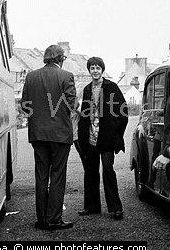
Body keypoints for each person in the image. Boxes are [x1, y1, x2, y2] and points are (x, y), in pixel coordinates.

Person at [21, 44, 78, 230]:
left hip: (38, 134)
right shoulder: (66, 76)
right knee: (58, 175)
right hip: (60, 134)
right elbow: (72, 105)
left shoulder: (31, 76)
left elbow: (24, 105)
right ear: (61, 58)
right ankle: (54, 219)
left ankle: (42, 219)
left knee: (41, 175)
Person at [78, 56, 128, 220]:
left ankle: (115, 208)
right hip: (91, 135)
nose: (95, 71)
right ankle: (92, 207)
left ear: (102, 69)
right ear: (89, 71)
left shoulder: (111, 87)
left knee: (108, 170)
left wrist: (116, 134)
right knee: (90, 171)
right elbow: (84, 116)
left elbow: (123, 113)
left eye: (98, 68)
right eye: (92, 68)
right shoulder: (86, 89)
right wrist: (82, 136)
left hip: (106, 137)